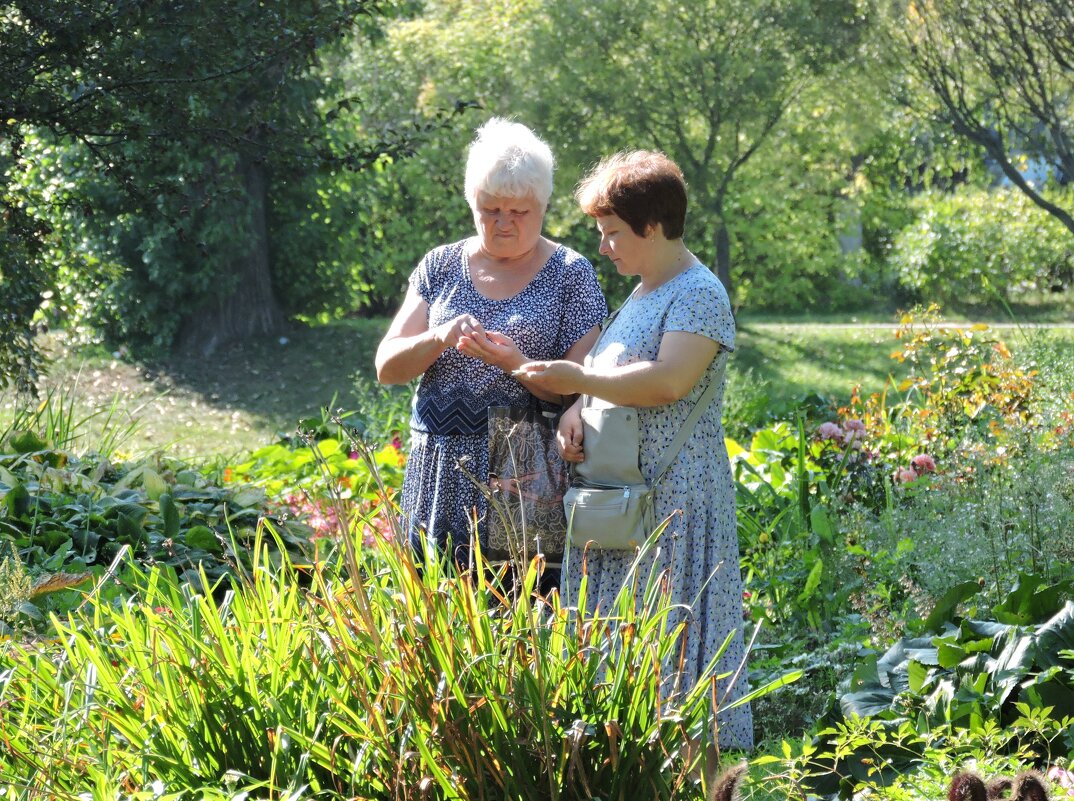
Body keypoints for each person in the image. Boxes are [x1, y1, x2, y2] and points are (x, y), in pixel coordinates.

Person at [514, 151, 753, 751]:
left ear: (651, 225)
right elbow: (611, 380)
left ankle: (699, 786)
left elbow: (669, 380)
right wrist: (577, 414)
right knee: (626, 662)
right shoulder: (643, 293)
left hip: (673, 505)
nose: (604, 247)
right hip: (627, 505)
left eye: (612, 233)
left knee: (674, 656)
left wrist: (579, 381)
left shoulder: (698, 292)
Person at [375, 118, 607, 569]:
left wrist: (517, 364)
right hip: (439, 466)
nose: (503, 223)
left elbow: (584, 391)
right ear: (472, 202)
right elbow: (388, 367)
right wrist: (440, 337)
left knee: (519, 615)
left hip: (525, 470)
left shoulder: (570, 274)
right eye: (489, 209)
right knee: (437, 613)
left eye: (518, 212)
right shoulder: (439, 265)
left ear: (541, 206)